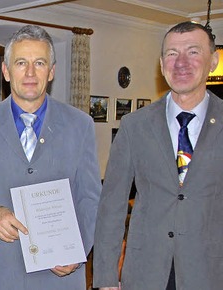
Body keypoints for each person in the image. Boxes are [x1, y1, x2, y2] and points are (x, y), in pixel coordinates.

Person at [0, 24, 101, 290]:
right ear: (5, 70)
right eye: (21, 63)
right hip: (1, 270)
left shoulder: (80, 125)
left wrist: (77, 249)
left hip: (61, 272)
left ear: (51, 72)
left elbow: (90, 197)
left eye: (39, 63)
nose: (29, 73)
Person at [93, 21, 223, 290]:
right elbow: (112, 206)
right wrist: (105, 277)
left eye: (193, 52)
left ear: (213, 60)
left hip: (210, 273)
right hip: (145, 273)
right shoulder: (135, 126)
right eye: (172, 54)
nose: (181, 62)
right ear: (162, 64)